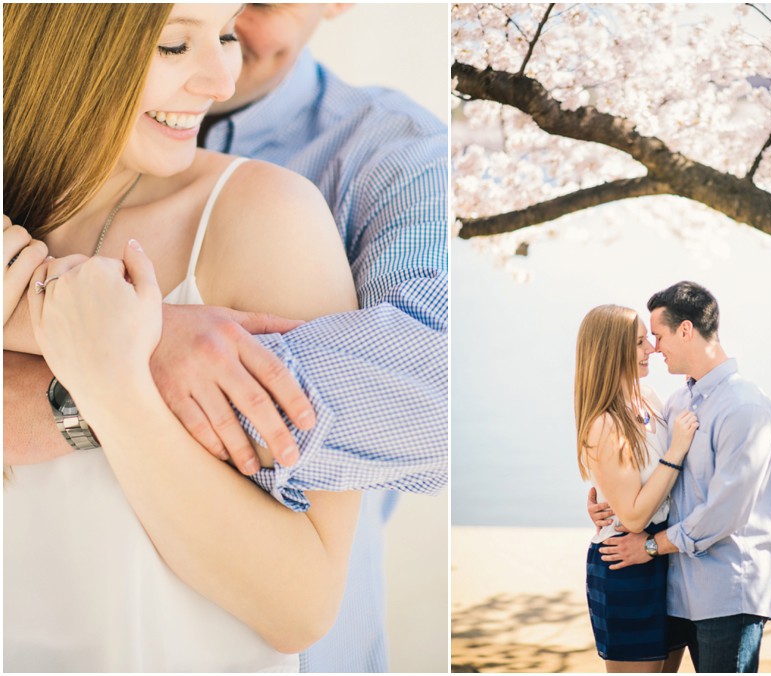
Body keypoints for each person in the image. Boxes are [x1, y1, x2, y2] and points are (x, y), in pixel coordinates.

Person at [4, 4, 449, 672]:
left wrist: (109, 366)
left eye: (225, 36)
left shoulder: (280, 208)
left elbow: (434, 402)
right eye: (175, 45)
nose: (219, 81)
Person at [594, 282, 771, 673]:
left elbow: (723, 514)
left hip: (726, 594)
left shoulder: (744, 408)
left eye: (657, 337)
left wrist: (648, 547)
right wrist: (609, 504)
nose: (654, 348)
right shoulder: (676, 402)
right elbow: (658, 481)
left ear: (686, 330)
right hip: (675, 590)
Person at [575, 304, 697, 672]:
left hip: (663, 557)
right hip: (625, 564)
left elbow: (642, 485)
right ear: (613, 351)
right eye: (641, 342)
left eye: (649, 340)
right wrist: (676, 449)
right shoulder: (604, 424)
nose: (652, 350)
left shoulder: (649, 399)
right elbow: (632, 514)